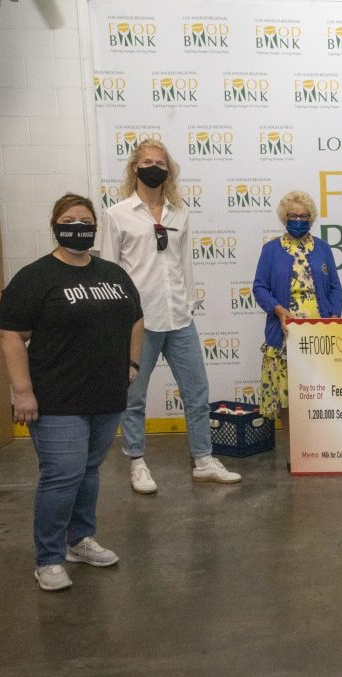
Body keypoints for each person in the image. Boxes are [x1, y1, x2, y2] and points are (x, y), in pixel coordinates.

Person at [0, 193, 144, 591]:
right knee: (61, 475)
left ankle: (79, 540)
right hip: (56, 398)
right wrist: (22, 391)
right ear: (55, 225)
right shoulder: (35, 277)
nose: (78, 226)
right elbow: (11, 334)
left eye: (85, 219)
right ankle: (48, 558)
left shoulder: (113, 274)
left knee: (88, 471)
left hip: (105, 395)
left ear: (95, 227)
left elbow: (136, 318)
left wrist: (131, 364)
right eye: (69, 219)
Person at [100, 140, 240, 493]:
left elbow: (185, 265)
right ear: (135, 167)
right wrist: (116, 321)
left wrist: (189, 303)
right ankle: (136, 460)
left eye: (160, 162)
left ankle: (203, 459)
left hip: (179, 317)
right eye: (147, 161)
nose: (154, 167)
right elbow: (109, 271)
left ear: (169, 169)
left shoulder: (180, 212)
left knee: (196, 392)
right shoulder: (117, 214)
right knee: (134, 396)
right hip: (138, 323)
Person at [253, 190, 342, 431]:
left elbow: (335, 286)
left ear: (311, 218)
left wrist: (334, 317)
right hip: (284, 333)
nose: (298, 220)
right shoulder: (271, 250)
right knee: (287, 392)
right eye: (293, 215)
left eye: (304, 216)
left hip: (319, 332)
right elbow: (260, 287)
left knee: (318, 388)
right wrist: (278, 309)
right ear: (284, 217)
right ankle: (295, 446)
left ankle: (318, 443)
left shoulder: (323, 248)